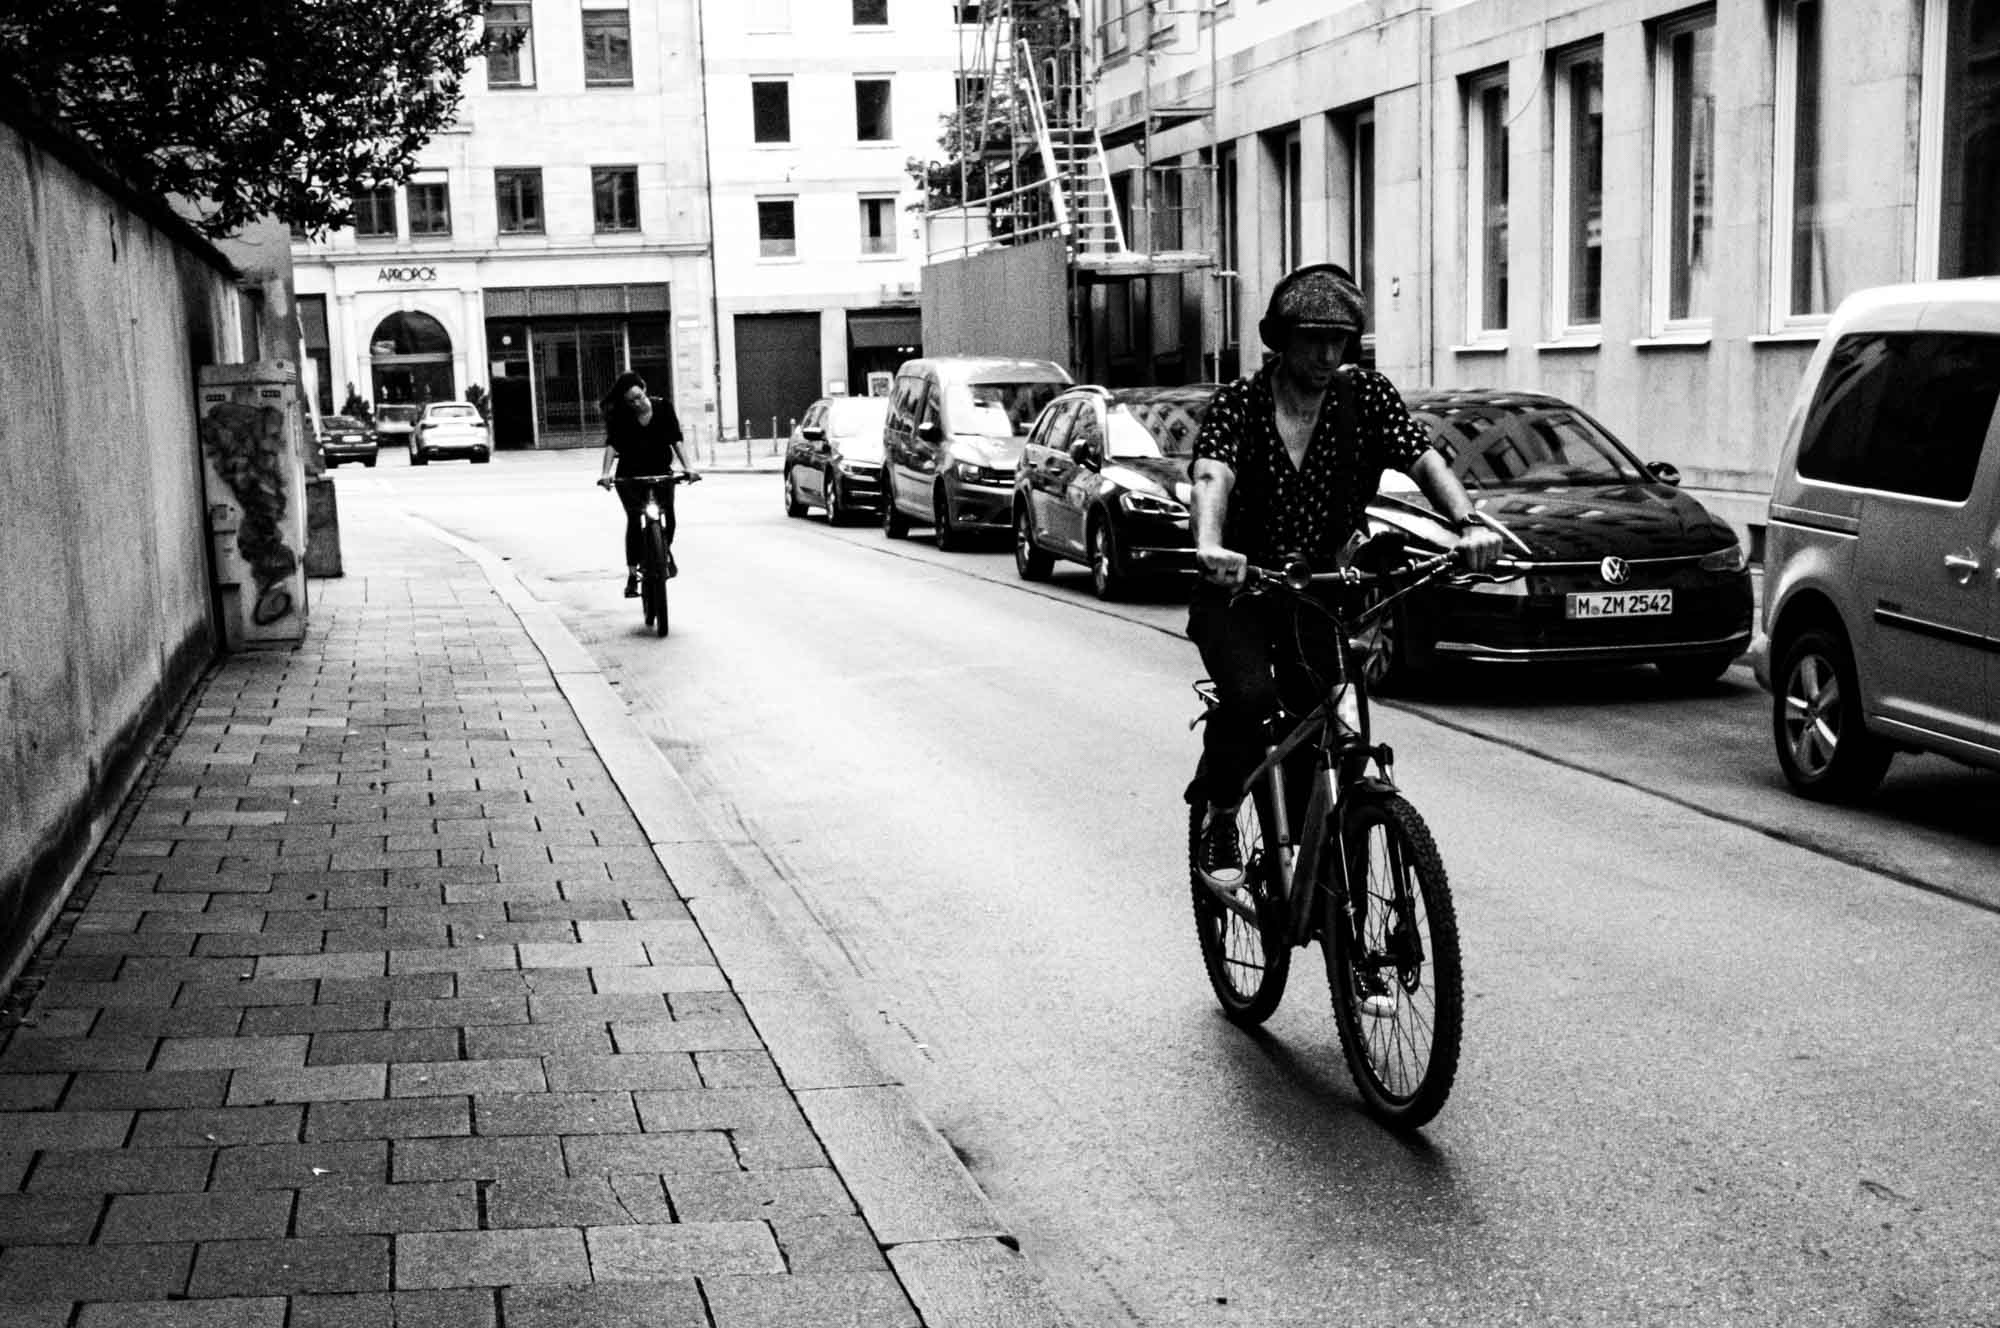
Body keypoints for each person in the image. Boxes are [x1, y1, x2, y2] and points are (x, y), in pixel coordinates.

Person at [1187, 264, 1501, 894]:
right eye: (1313, 338)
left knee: (1339, 729)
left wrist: (1467, 523)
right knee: (1250, 702)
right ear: (1281, 337)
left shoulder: (1366, 398)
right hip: (1244, 587)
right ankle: (1222, 811)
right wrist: (1210, 546)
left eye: (1340, 339)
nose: (1328, 353)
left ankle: (1338, 914)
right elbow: (1210, 476)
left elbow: (1423, 457)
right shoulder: (1241, 406)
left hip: (1324, 590)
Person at [597, 371, 699, 596]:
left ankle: (663, 552)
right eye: (631, 401)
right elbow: (612, 444)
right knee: (634, 519)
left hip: (661, 473)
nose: (637, 403)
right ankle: (633, 575)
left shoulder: (663, 407)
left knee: (669, 517)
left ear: (644, 389)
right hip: (631, 477)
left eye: (639, 396)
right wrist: (605, 473)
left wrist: (688, 467)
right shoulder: (622, 417)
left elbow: (676, 439)